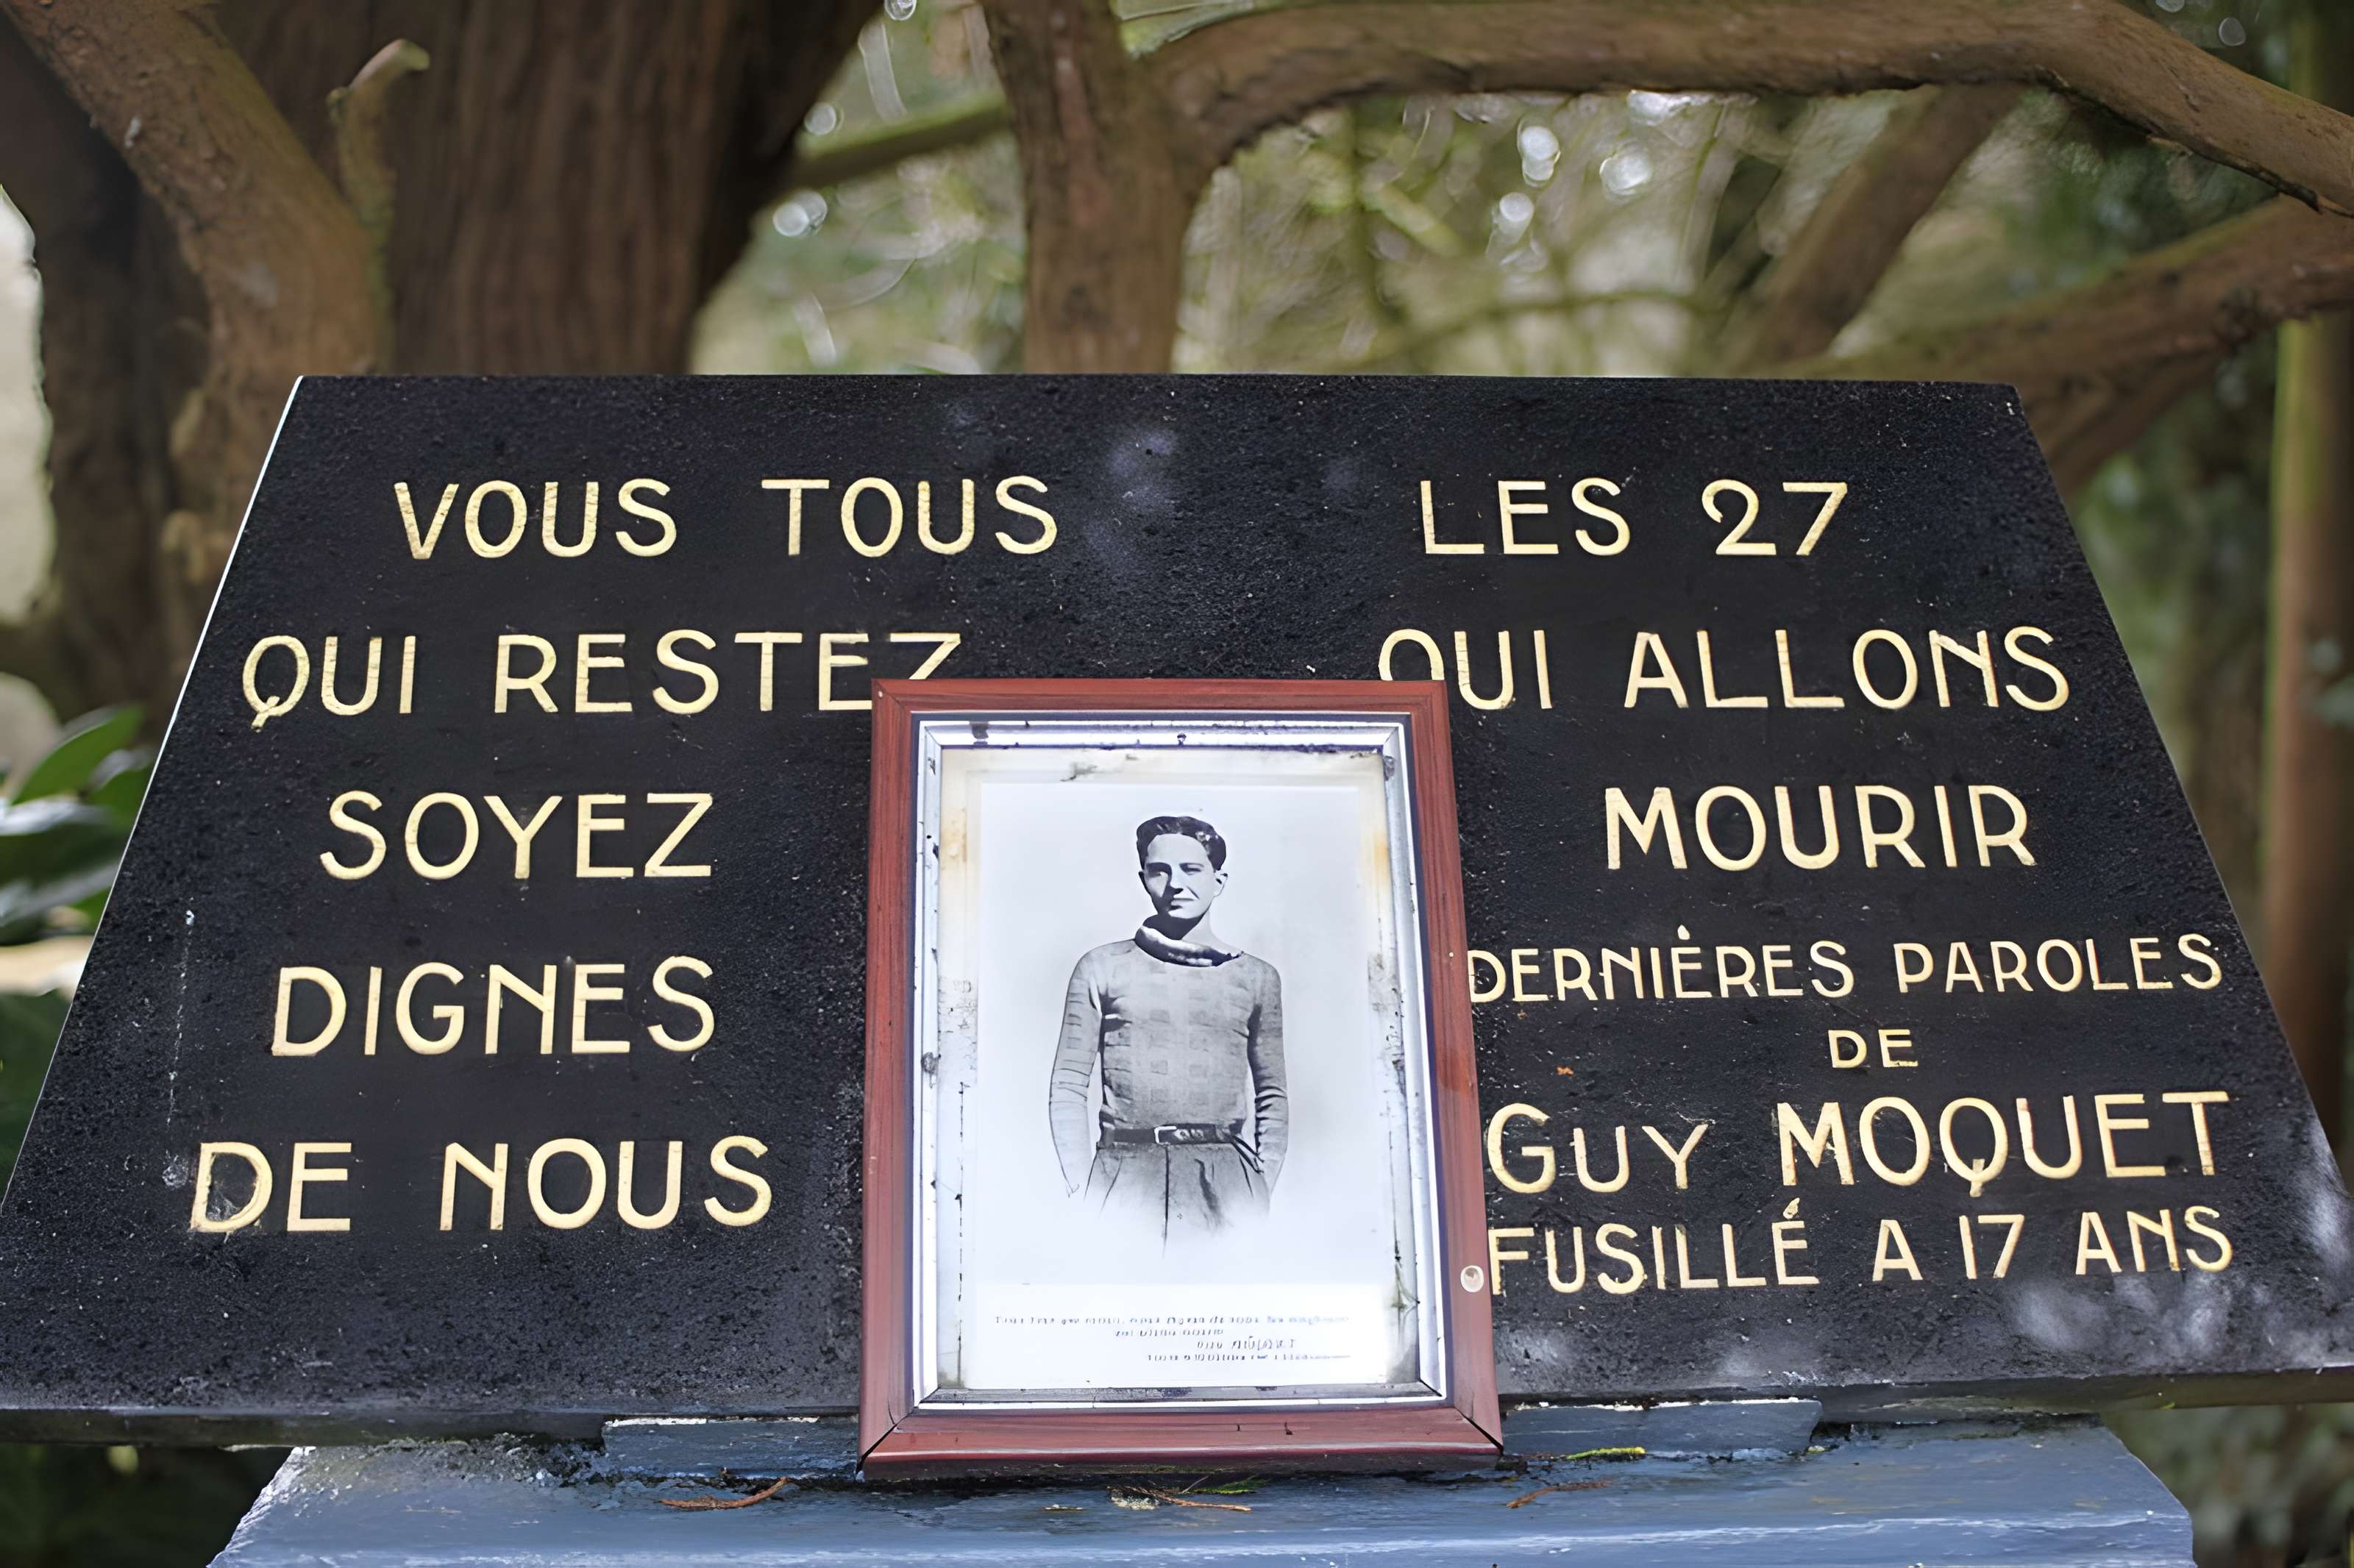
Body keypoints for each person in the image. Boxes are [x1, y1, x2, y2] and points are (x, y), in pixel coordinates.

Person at [1048, 814, 1287, 1241]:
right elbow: (1068, 1084)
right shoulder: (1101, 967)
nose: (1175, 884)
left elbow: (1272, 1092)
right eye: (1160, 871)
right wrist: (1081, 1188)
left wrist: (1258, 1188)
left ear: (1219, 879)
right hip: (1123, 1176)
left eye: (1192, 869)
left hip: (1226, 1182)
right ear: (1144, 880)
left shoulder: (1256, 977)